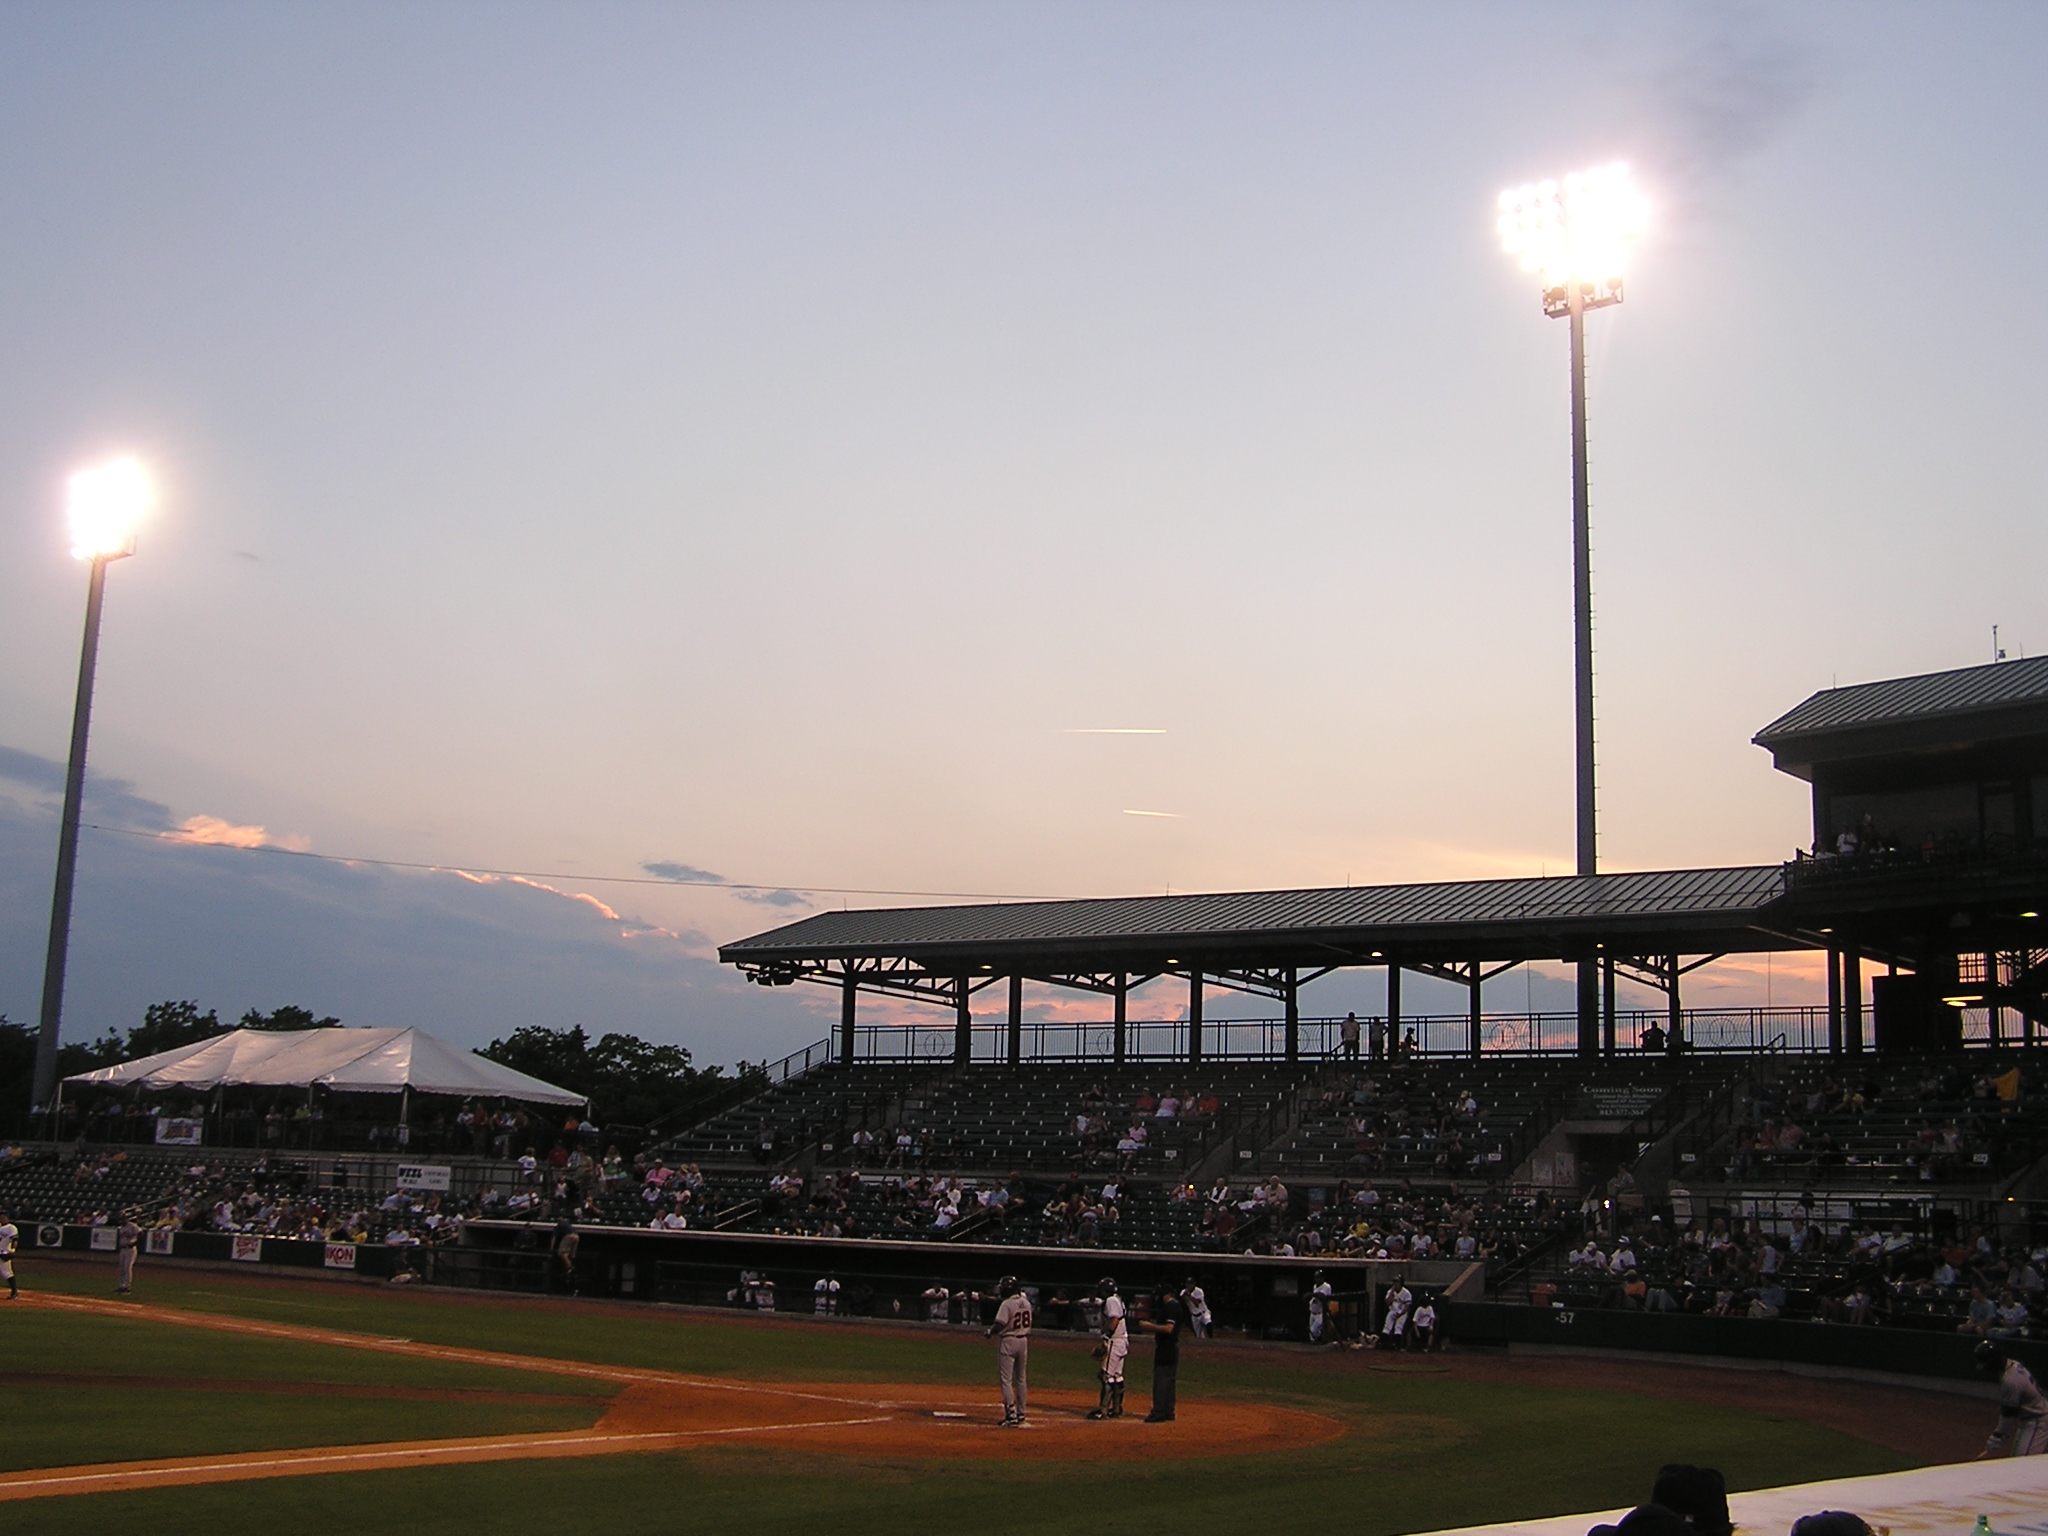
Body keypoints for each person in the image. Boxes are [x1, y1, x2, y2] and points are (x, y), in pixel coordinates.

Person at [1975, 1340, 2048, 1456]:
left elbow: (2009, 1414)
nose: (1985, 1368)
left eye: (1986, 1364)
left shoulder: (2010, 1380)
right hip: (2032, 1418)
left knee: (2023, 1463)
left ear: (1993, 1360)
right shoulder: (2012, 1365)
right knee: (2017, 1460)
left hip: (2037, 1420)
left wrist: (1998, 1435)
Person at [986, 1275, 1033, 1427]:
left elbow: (1000, 1324)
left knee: (1006, 1380)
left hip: (1009, 1341)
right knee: (1021, 1379)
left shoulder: (1007, 1304)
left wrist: (990, 1332)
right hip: (1024, 1341)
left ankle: (1011, 1415)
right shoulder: (1026, 1302)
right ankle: (1021, 1414)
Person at [1137, 1284, 1185, 1422]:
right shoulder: (1175, 1306)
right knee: (1169, 1381)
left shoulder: (1171, 1306)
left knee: (1161, 1381)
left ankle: (1158, 1413)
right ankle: (1168, 1412)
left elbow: (1169, 1328)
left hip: (1166, 1347)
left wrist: (1149, 1326)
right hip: (1170, 1346)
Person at [1088, 1275, 1129, 1419]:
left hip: (1115, 1340)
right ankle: (1116, 1409)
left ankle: (1103, 1410)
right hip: (1122, 1340)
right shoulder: (1117, 1298)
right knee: (1117, 1376)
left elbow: (1114, 1319)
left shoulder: (1111, 1301)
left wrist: (1107, 1336)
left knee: (1106, 1376)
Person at [115, 1214, 140, 1295]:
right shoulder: (121, 1228)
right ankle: (122, 1286)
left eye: (124, 1219)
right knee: (122, 1268)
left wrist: (133, 1242)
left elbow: (140, 1233)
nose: (122, 1220)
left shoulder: (133, 1226)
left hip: (130, 1249)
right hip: (123, 1249)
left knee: (127, 1268)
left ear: (127, 1219)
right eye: (121, 1219)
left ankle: (127, 1287)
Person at [1308, 1271, 1333, 1343]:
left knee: (1313, 1331)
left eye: (1318, 1277)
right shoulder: (1315, 1286)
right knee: (1311, 1334)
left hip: (1321, 1313)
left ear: (1322, 1278)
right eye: (1315, 1277)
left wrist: (1311, 1294)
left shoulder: (1327, 1286)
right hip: (1312, 1312)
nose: (1316, 1279)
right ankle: (1313, 1350)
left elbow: (1322, 1296)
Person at [0, 1210, 16, 1299]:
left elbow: (15, 1239)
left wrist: (13, 1250)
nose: (2, 1219)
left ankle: (14, 1292)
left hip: (5, 1253)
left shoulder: (11, 1228)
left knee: (7, 1273)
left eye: (3, 1217)